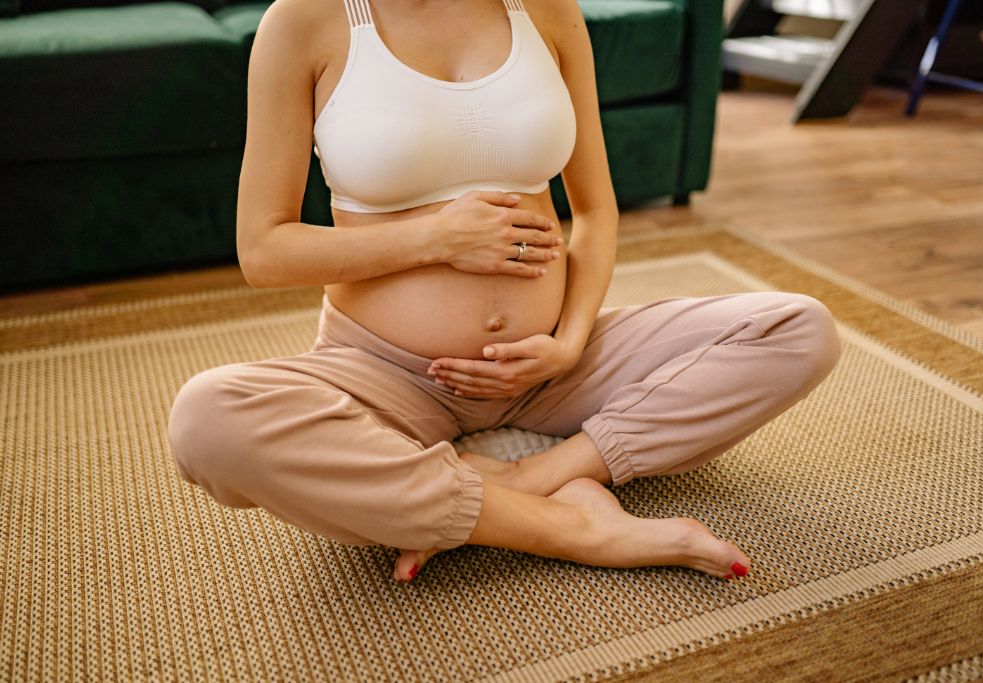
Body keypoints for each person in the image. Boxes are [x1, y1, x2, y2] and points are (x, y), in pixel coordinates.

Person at [167, 0, 842, 584]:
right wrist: (437, 238)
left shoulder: (546, 10)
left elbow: (597, 212)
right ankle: (569, 526)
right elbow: (264, 249)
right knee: (208, 418)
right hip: (385, 375)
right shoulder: (306, 21)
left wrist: (569, 340)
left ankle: (516, 477)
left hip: (553, 368)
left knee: (798, 329)